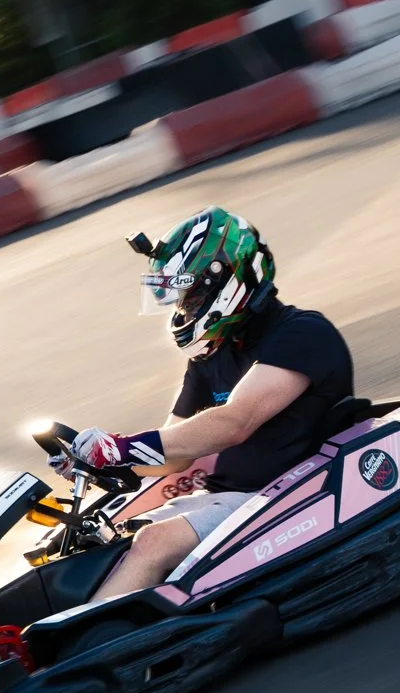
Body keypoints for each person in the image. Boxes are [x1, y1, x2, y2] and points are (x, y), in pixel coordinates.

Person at [68, 206, 353, 600]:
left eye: (192, 295)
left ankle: (84, 649)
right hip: (225, 497)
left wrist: (122, 445)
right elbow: (175, 455)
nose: (184, 309)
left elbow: (233, 422)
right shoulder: (212, 356)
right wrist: (100, 463)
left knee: (154, 543)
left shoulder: (302, 333)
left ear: (230, 278)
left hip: (290, 495)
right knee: (103, 544)